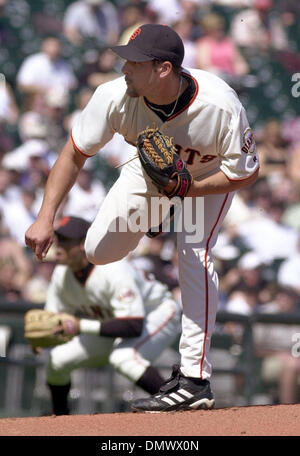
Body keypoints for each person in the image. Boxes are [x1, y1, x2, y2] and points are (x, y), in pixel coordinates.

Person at [25, 24, 259, 413]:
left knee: (194, 252)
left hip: (207, 177)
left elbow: (246, 172)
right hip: (152, 171)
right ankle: (160, 211)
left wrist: (187, 192)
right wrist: (44, 217)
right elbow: (72, 154)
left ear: (163, 68)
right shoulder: (114, 97)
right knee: (99, 251)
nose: (123, 69)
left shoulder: (220, 104)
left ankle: (194, 379)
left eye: (134, 63)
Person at [39, 215, 181, 415]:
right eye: (58, 240)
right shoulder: (61, 274)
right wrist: (43, 338)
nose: (58, 247)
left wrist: (79, 326)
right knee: (57, 361)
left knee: (123, 357)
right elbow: (54, 320)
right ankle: (61, 419)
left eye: (66, 242)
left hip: (158, 312)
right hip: (111, 324)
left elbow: (133, 326)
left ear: (82, 244)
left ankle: (176, 403)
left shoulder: (112, 268)